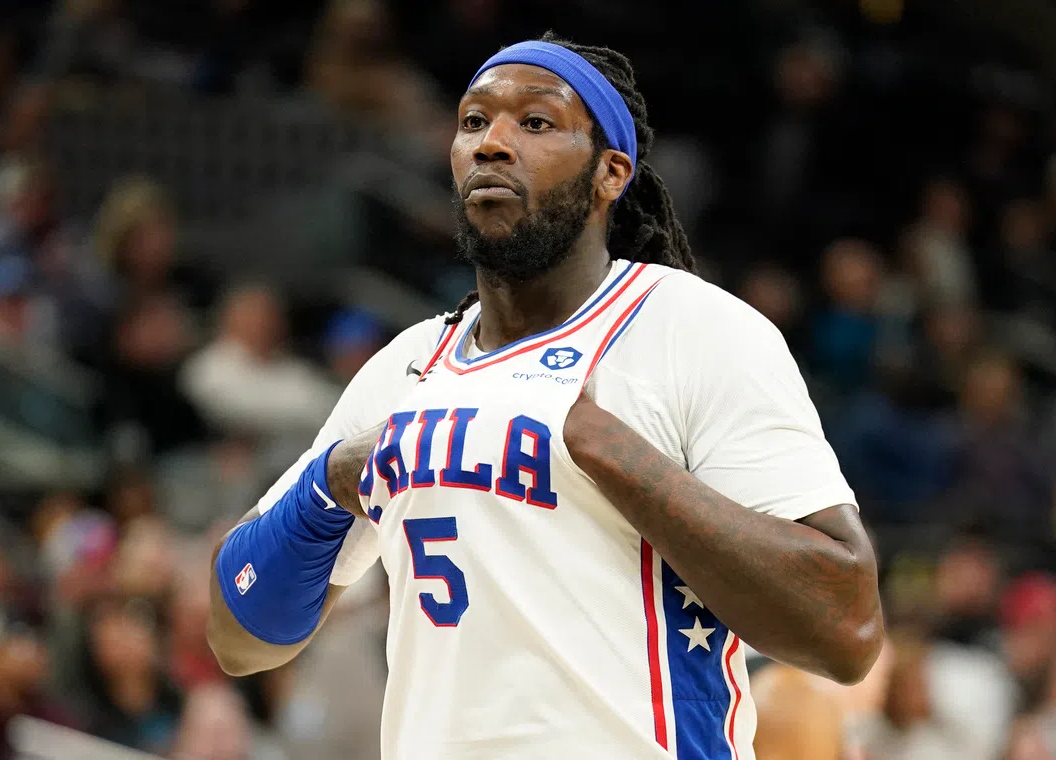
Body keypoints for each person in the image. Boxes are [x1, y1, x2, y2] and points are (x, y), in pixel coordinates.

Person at [207, 33, 883, 759]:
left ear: (610, 173)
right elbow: (239, 637)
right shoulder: (403, 368)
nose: (493, 143)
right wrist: (330, 479)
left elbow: (846, 629)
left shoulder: (693, 328)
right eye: (473, 121)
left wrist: (613, 452)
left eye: (536, 122)